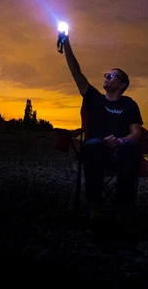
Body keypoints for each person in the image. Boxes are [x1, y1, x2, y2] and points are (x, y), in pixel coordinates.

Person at [60, 33, 143, 226]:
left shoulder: (130, 105)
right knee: (93, 146)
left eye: (112, 75)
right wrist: (66, 44)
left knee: (131, 148)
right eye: (106, 74)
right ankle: (95, 213)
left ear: (122, 84)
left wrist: (121, 140)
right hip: (97, 152)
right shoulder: (95, 98)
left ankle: (122, 211)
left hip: (120, 153)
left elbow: (136, 133)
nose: (107, 76)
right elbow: (76, 72)